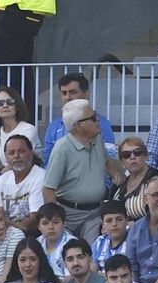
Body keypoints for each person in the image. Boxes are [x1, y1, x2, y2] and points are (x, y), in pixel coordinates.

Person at [44, 99, 119, 240]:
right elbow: (48, 190)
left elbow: (106, 161)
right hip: (68, 214)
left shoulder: (97, 141)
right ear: (78, 125)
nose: (98, 120)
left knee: (92, 253)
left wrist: (118, 176)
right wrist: (56, 220)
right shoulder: (62, 149)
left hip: (94, 213)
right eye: (92, 118)